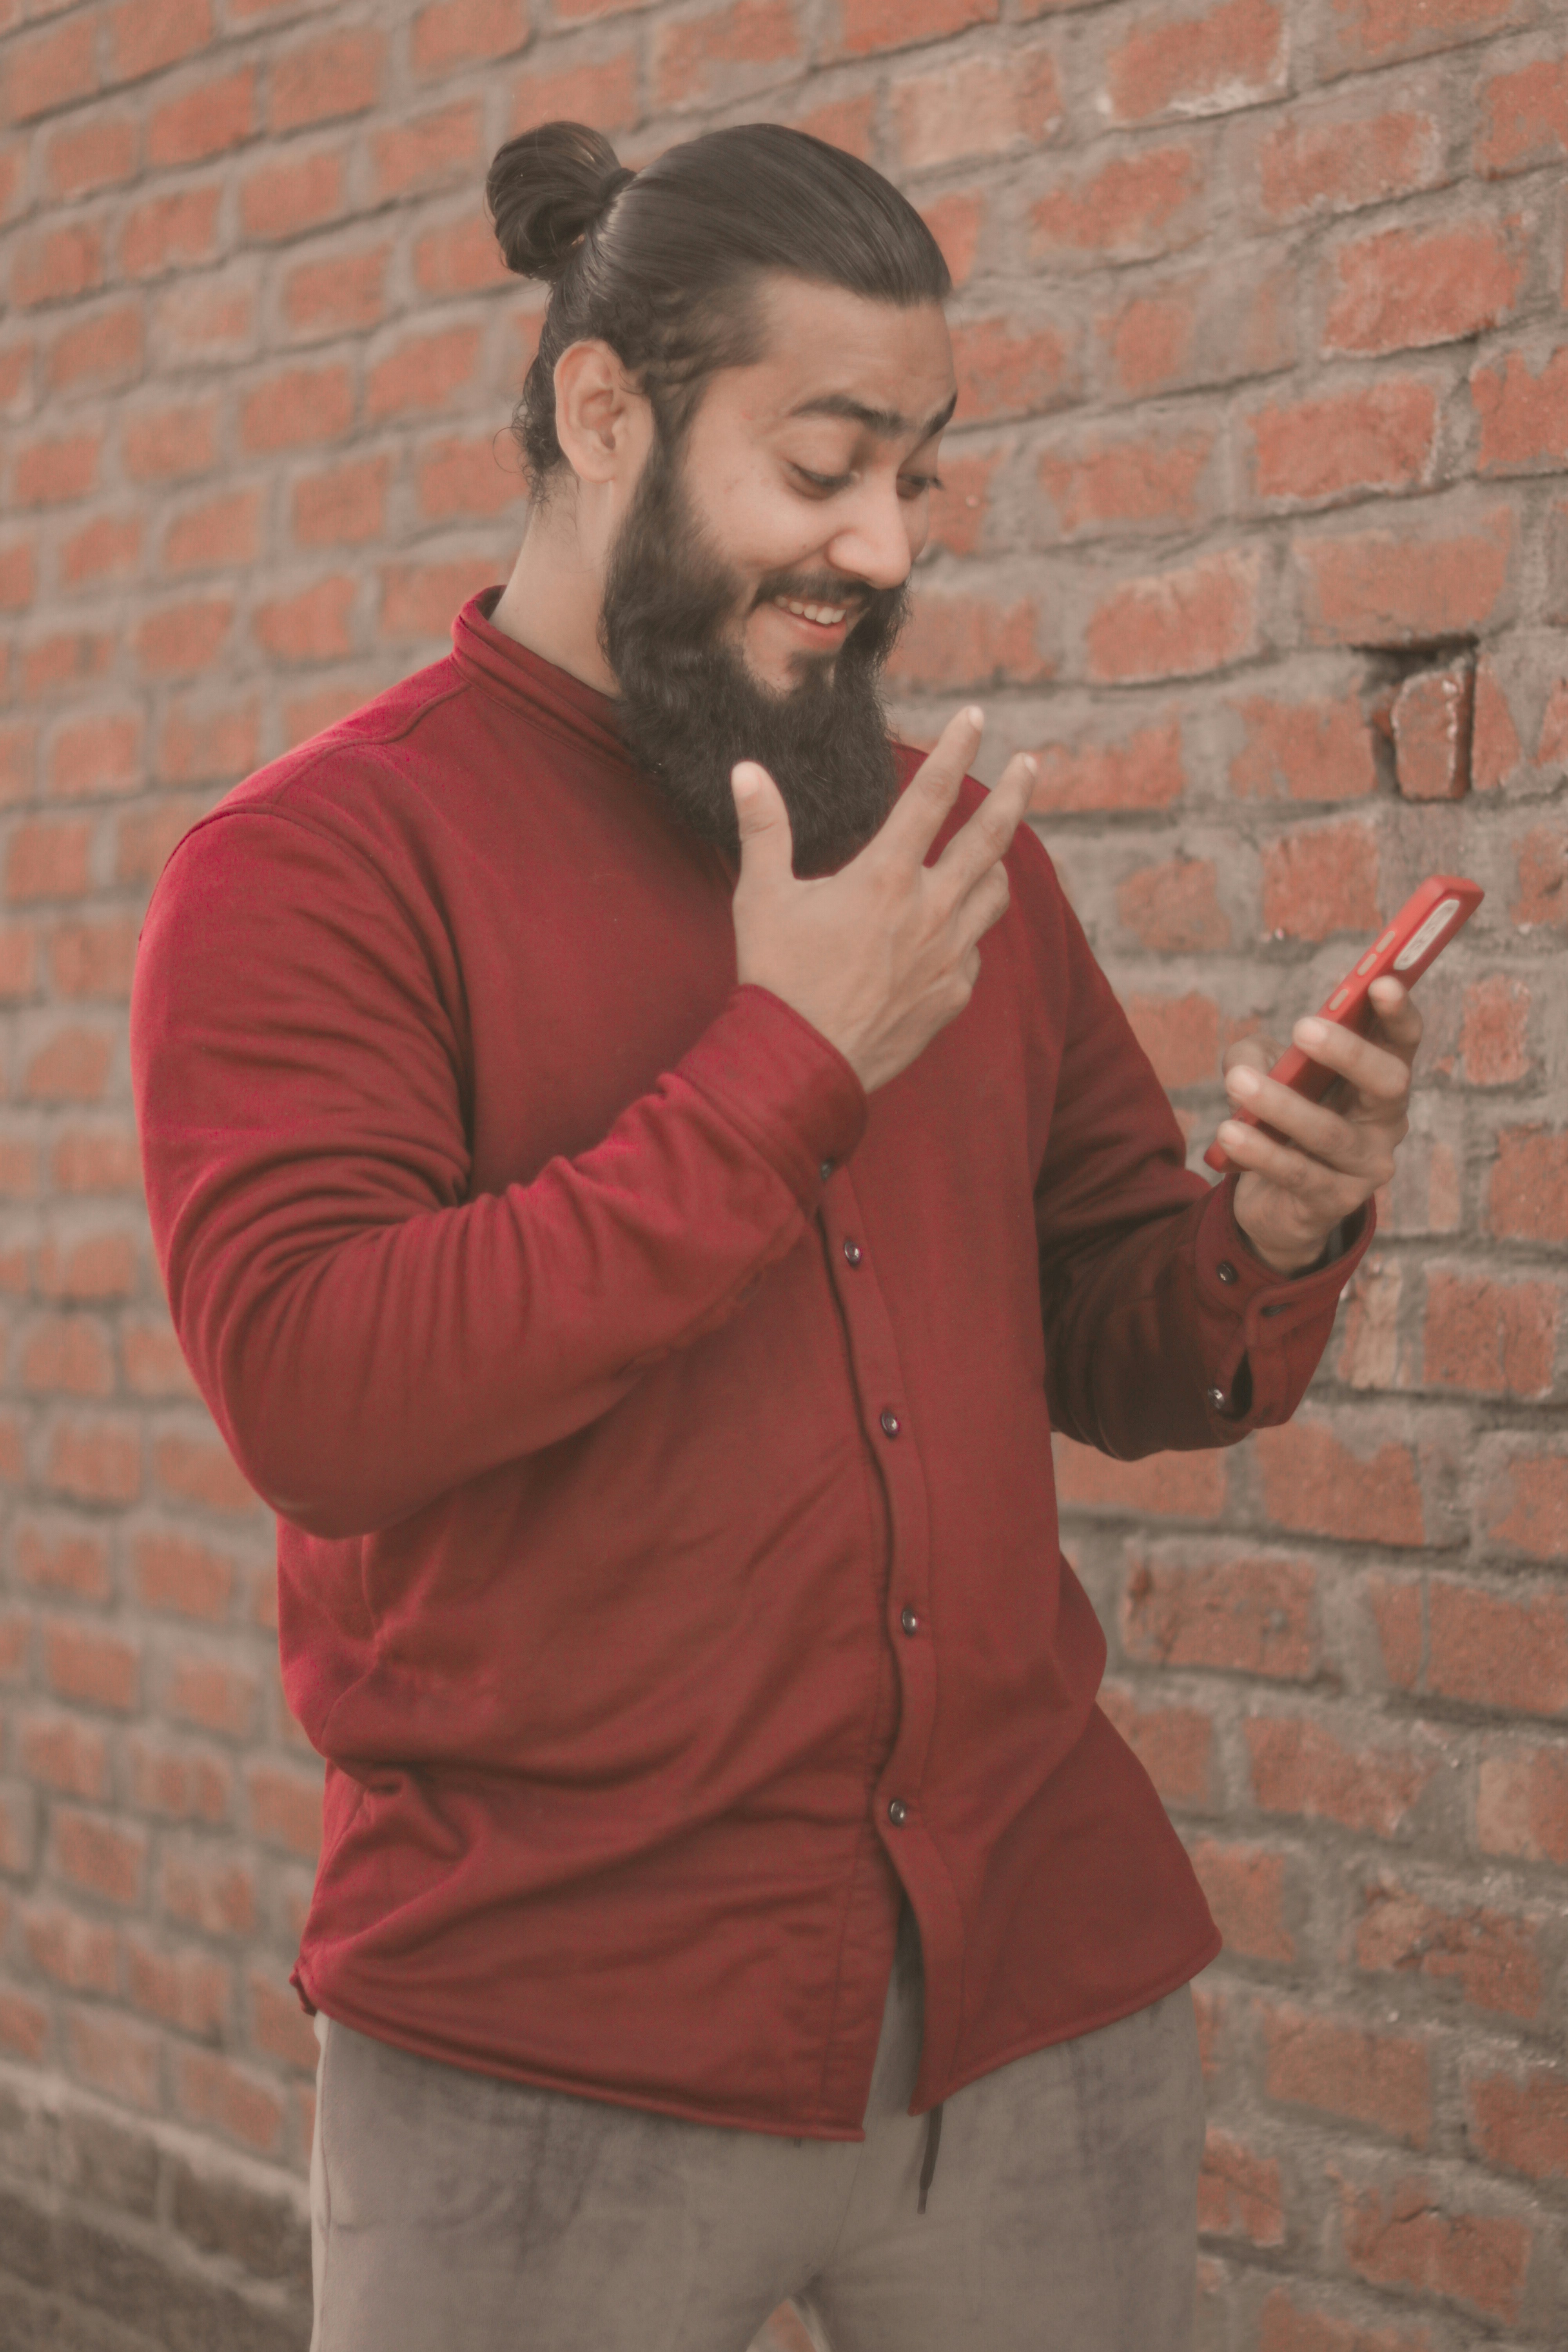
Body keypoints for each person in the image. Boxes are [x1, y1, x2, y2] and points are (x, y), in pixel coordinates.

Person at [130, 121, 1419, 2352]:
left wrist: (1271, 1238)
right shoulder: (314, 869)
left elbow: (1118, 1333)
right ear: (603, 407)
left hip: (1040, 2027)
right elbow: (323, 1400)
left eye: (922, 473)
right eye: (829, 461)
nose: (885, 543)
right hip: (550, 2054)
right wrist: (782, 1068)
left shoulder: (945, 857)